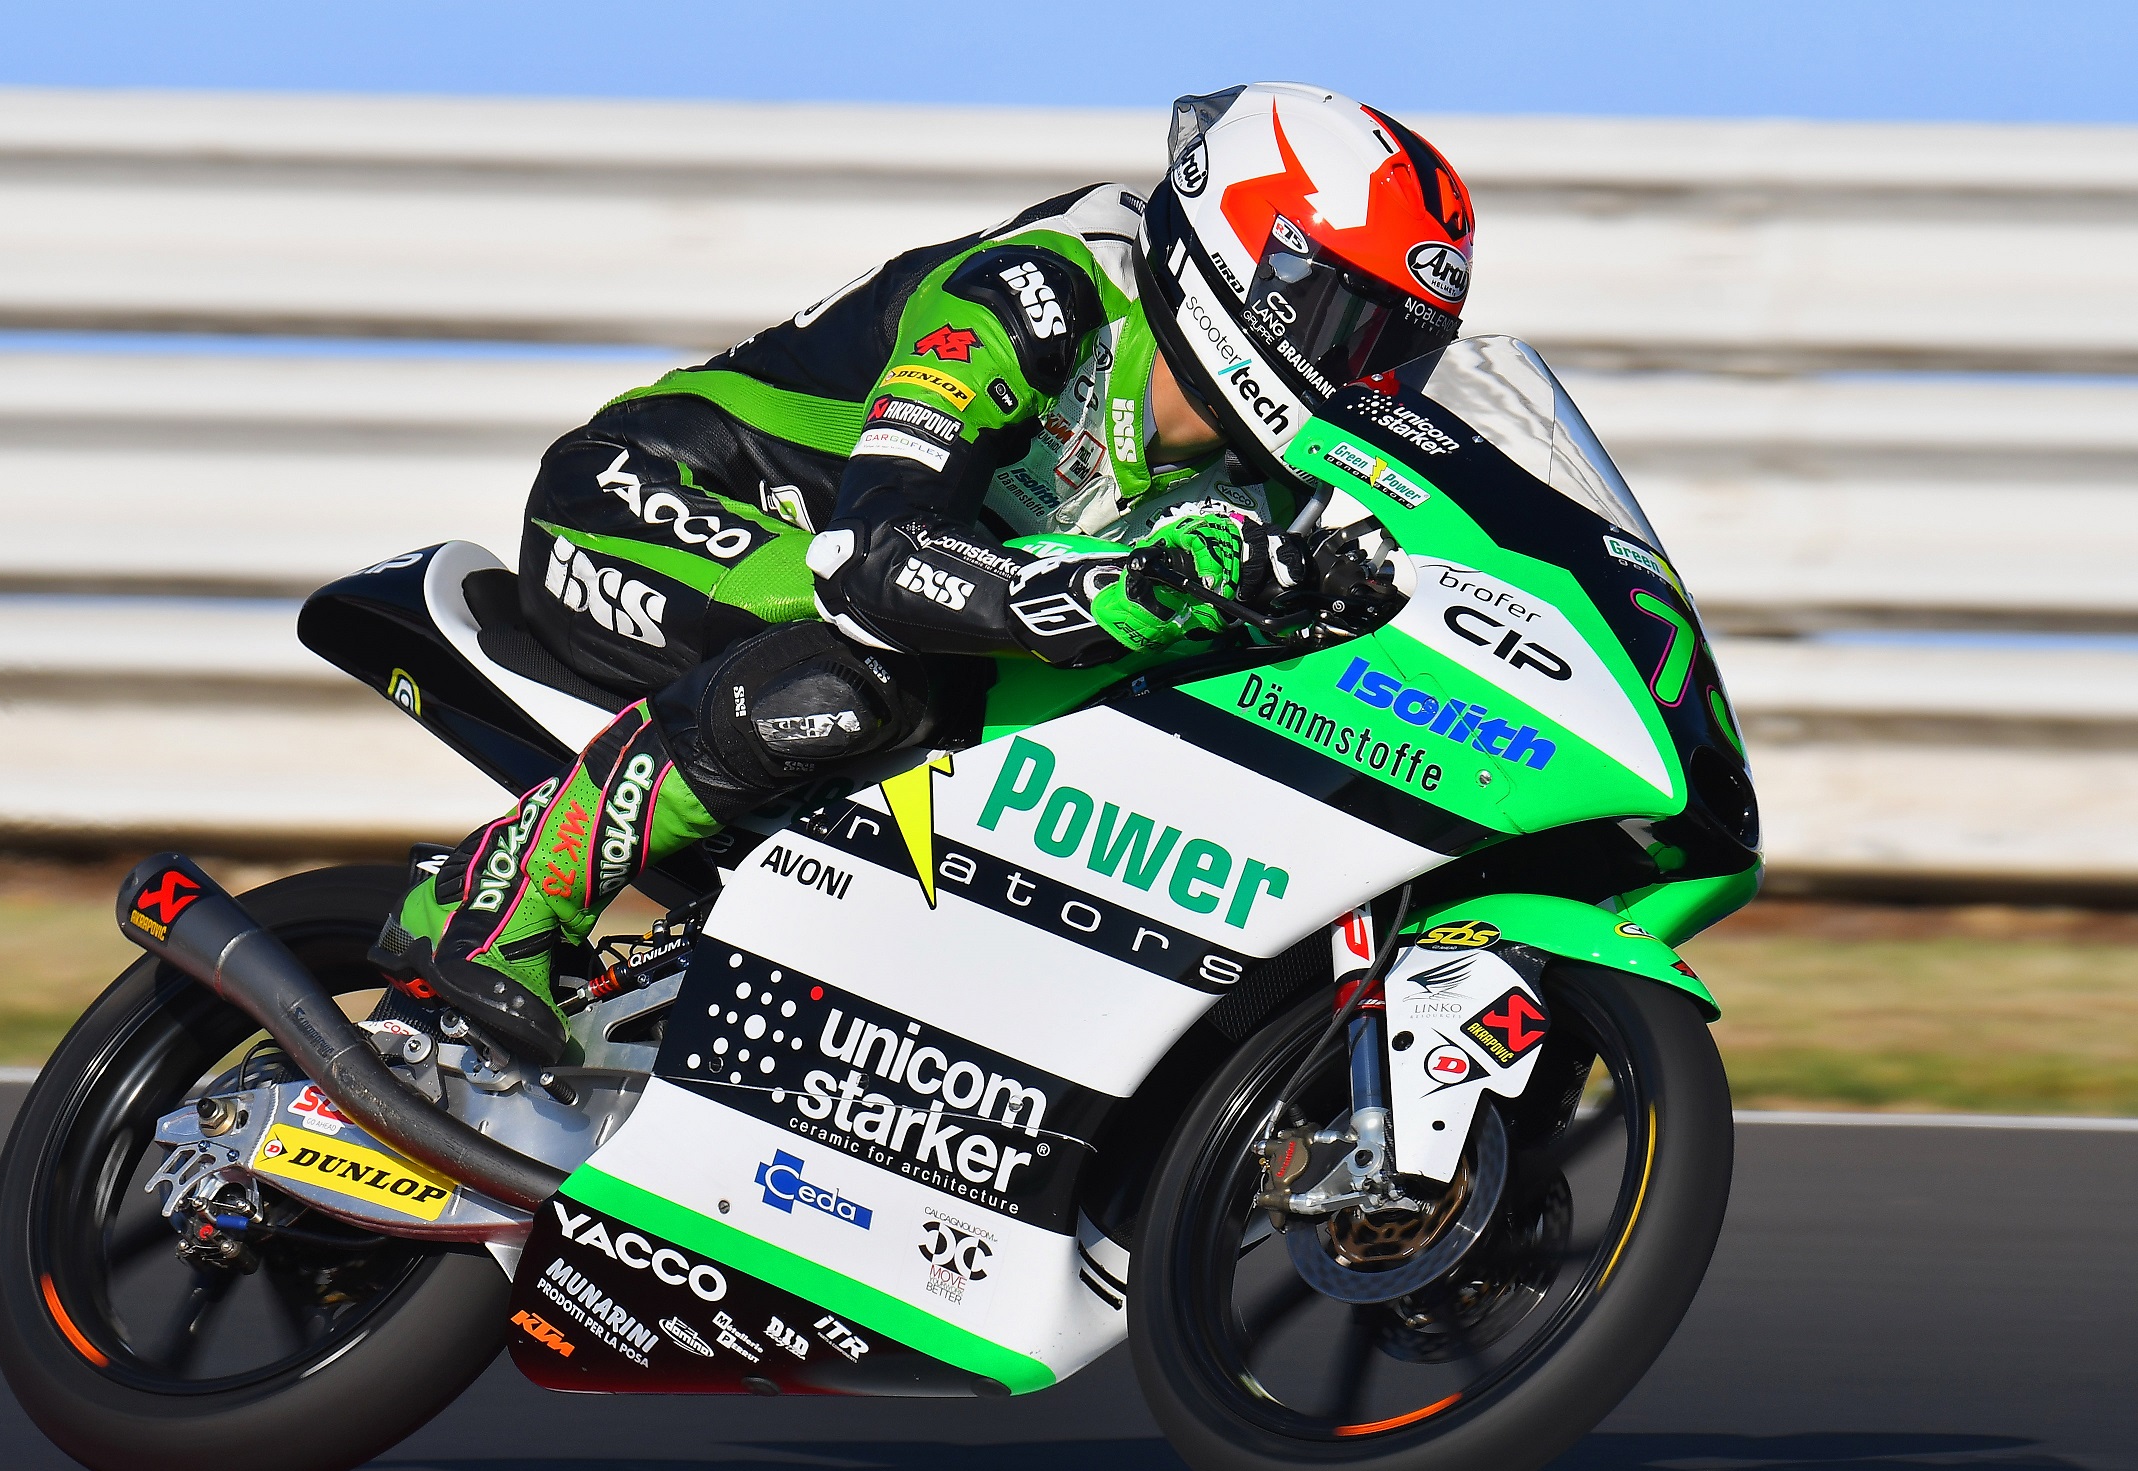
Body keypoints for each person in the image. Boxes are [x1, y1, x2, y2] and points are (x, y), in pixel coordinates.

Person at [389, 81, 1478, 1061]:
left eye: (1402, 347)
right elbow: (872, 560)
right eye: (1352, 322)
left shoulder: (1283, 483)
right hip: (647, 504)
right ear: (1252, 260)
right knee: (864, 674)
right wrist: (1123, 592)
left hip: (870, 588)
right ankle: (499, 895)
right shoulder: (1042, 289)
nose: (1367, 371)